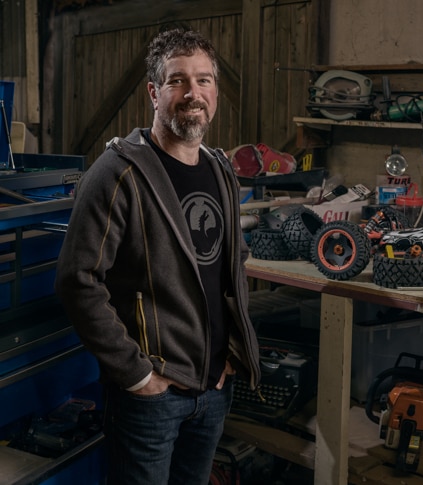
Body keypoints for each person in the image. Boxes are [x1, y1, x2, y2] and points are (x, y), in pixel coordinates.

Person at [55, 28, 260, 485]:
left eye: (204, 80)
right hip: (152, 398)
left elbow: (232, 265)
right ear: (154, 91)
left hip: (213, 389)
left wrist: (229, 356)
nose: (193, 94)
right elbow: (78, 279)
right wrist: (137, 376)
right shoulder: (117, 174)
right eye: (178, 81)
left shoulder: (220, 170)